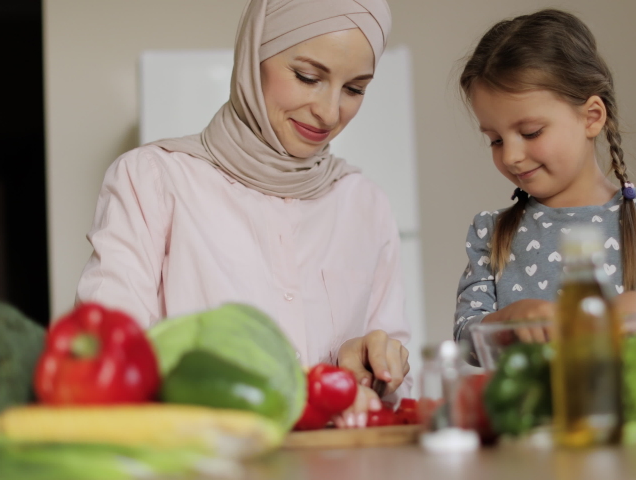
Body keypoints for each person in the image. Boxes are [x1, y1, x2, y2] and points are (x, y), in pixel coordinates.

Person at [75, 0, 408, 428]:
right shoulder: (153, 179)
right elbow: (108, 360)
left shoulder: (366, 204)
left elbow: (396, 392)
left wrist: (374, 370)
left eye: (355, 89)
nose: (329, 112)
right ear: (254, 55)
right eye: (308, 77)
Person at [453, 9, 636, 360]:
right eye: (495, 139)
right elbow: (465, 340)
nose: (510, 156)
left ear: (592, 117)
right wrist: (504, 321)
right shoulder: (491, 234)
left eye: (530, 133)